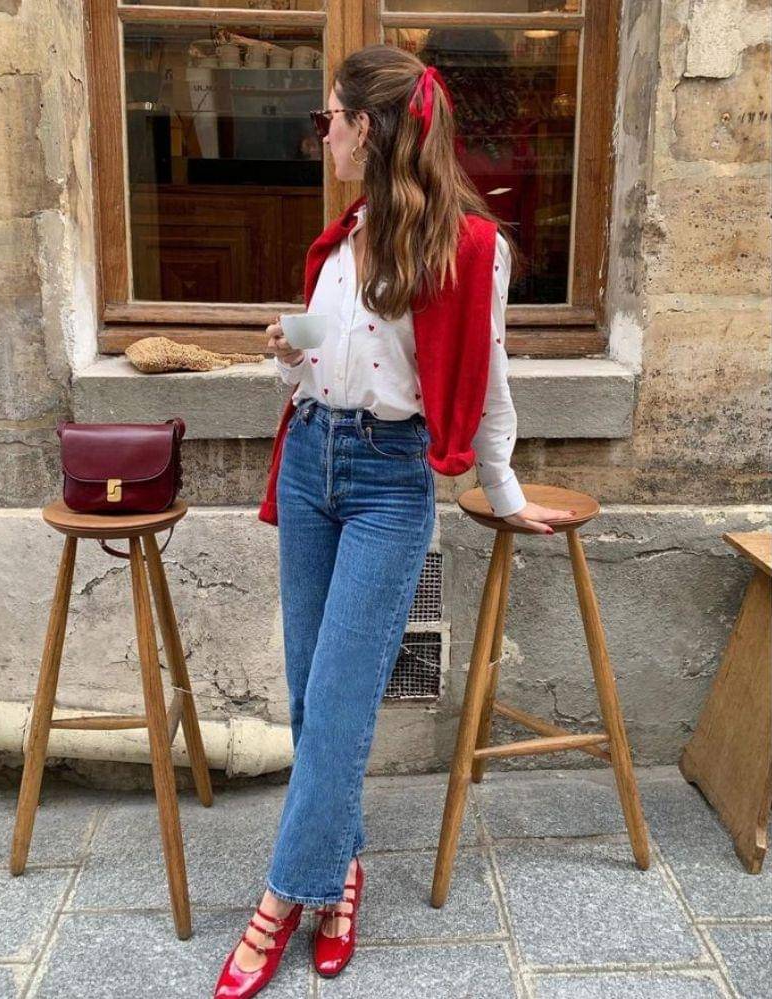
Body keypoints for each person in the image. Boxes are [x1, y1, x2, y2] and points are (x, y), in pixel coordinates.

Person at [213, 43, 577, 999]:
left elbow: (485, 382)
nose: (321, 136)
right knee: (310, 692)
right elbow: (321, 367)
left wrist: (503, 491)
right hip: (311, 464)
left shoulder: (470, 249)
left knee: (341, 696)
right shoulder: (344, 238)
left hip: (388, 481)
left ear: (367, 128)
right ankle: (341, 873)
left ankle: (280, 898)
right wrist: (286, 351)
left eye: (329, 119)